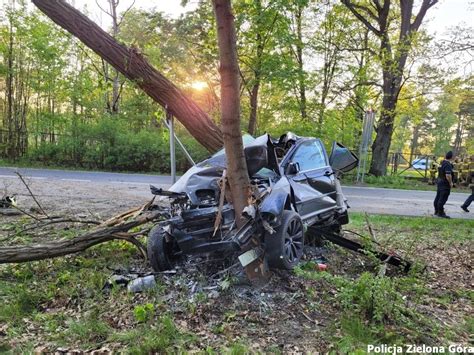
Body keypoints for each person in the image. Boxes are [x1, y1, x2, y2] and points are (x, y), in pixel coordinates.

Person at [433, 151, 454, 218]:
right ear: (452, 157)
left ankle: (436, 211)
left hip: (440, 181)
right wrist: (450, 182)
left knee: (438, 196)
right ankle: (441, 213)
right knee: (443, 197)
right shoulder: (448, 164)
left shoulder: (442, 163)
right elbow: (448, 175)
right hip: (445, 183)